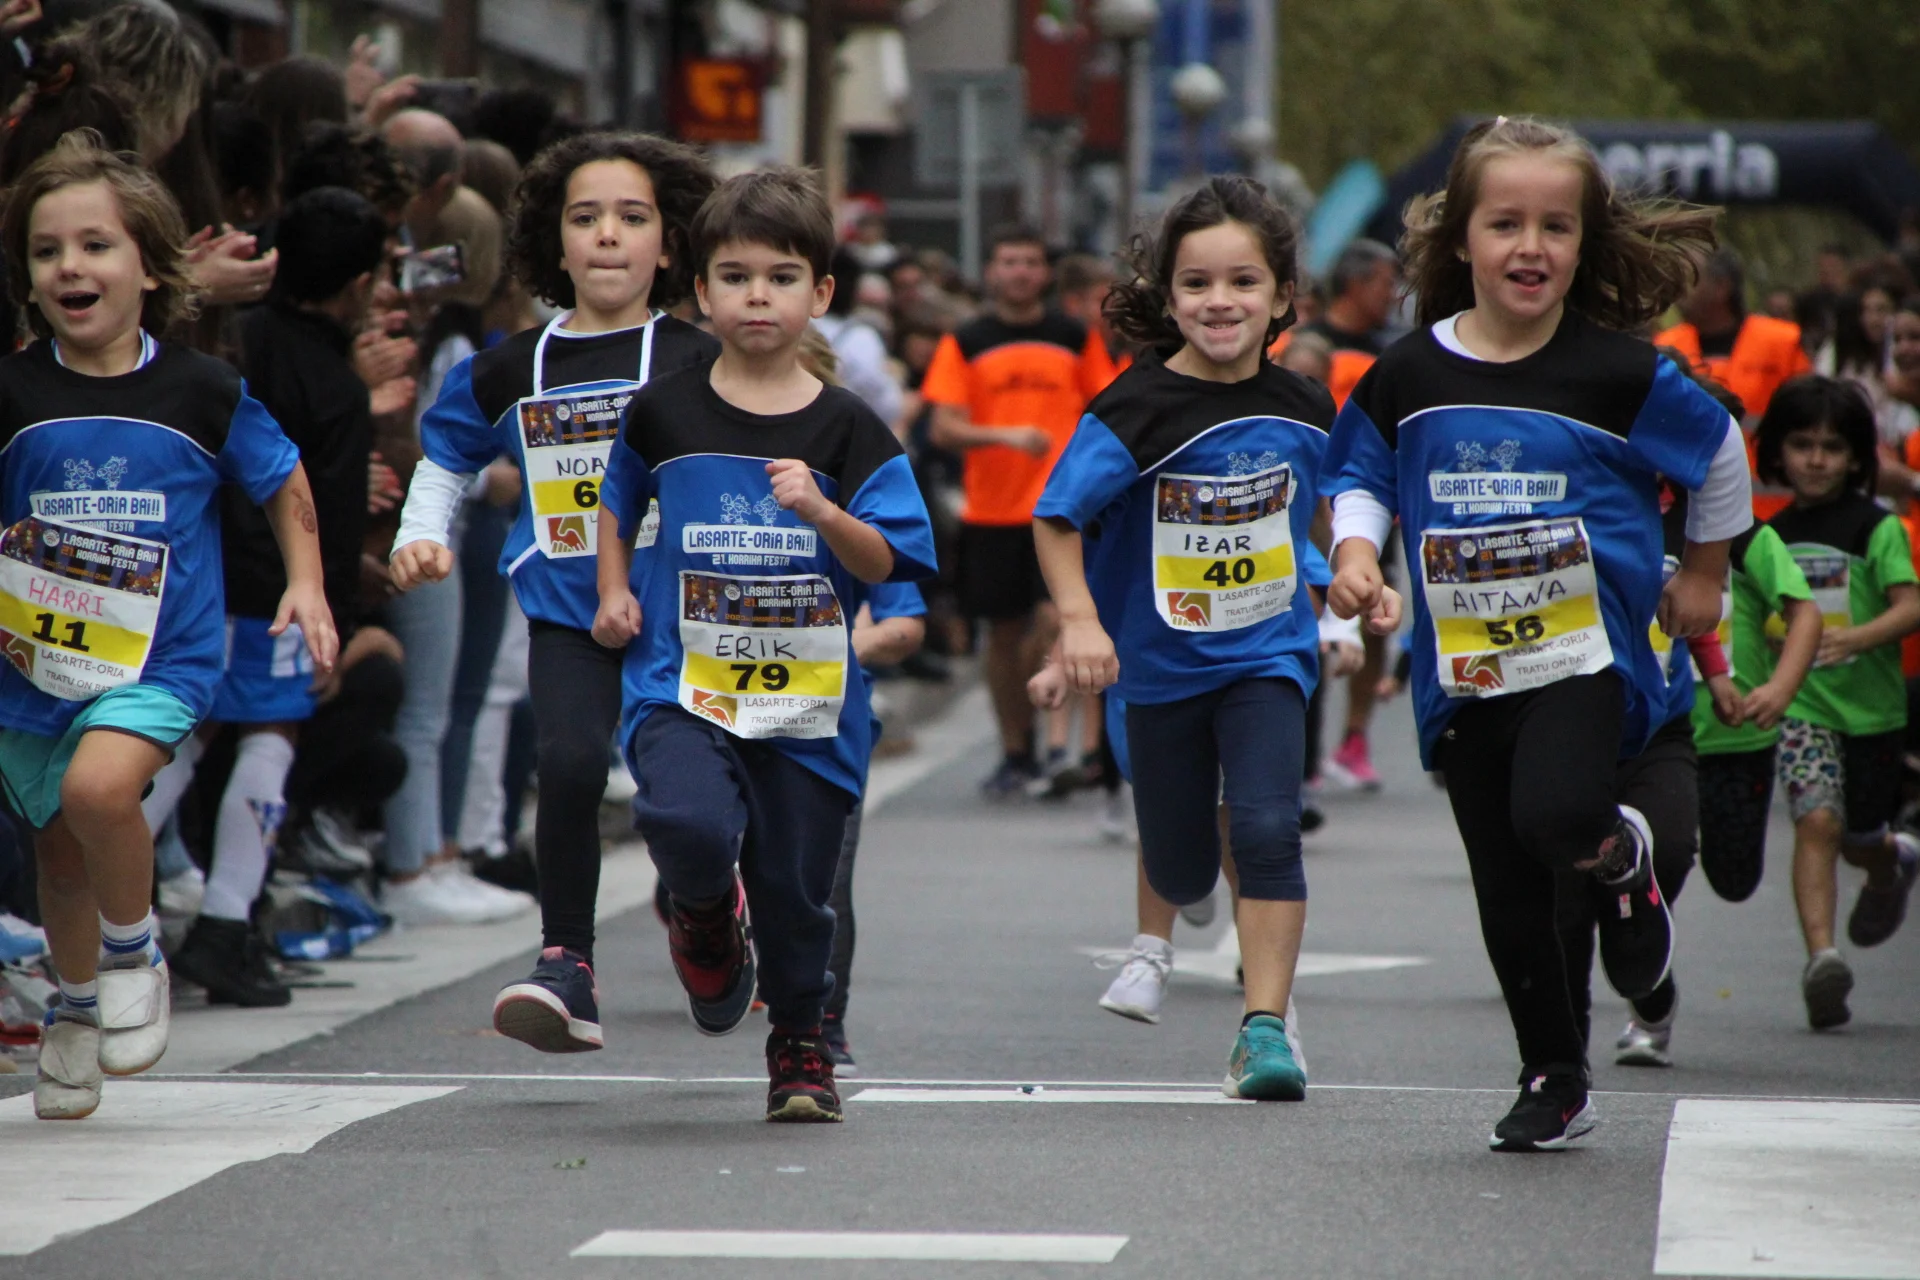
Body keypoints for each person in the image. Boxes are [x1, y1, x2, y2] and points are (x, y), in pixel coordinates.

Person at [1323, 116, 1747, 1152]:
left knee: (1556, 815)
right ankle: (1555, 1075)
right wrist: (1357, 554)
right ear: (1460, 238)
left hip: (1583, 652)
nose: (1531, 246)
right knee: (1510, 890)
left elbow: (1721, 451)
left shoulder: (1619, 373)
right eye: (1505, 223)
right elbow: (1359, 470)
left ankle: (1620, 857)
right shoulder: (1410, 373)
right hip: (1466, 668)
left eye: (1556, 226)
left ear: (1584, 244)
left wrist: (1703, 571)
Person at [0, 133, 336, 1119]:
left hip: (161, 662)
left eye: (95, 245)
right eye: (48, 250)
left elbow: (283, 476)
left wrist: (309, 583)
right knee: (59, 852)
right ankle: (71, 1013)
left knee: (100, 789)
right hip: (32, 670)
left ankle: (134, 949)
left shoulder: (200, 389)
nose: (71, 266)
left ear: (150, 266)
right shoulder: (12, 392)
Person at [1034, 175, 1387, 1100]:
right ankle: (1179, 909)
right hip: (1157, 666)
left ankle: (1264, 1030)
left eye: (1242, 281)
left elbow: (1330, 508)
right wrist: (1078, 622)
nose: (1219, 301)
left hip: (1267, 654)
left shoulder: (1305, 403)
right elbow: (1057, 517)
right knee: (1183, 861)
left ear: (1282, 296)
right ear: (1167, 296)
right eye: (1196, 283)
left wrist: (1353, 574)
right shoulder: (1133, 410)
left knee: (1269, 826)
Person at [595, 166, 936, 1122]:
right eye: (736, 277)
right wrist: (613, 591)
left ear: (819, 294)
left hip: (807, 705)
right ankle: (705, 915)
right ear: (701, 292)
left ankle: (799, 1041)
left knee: (796, 891)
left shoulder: (849, 427)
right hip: (683, 683)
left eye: (782, 278)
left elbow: (889, 559)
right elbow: (617, 501)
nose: (758, 296)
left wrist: (823, 511)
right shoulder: (663, 408)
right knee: (686, 822)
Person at [391, 133, 718, 990]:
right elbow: (446, 456)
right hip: (569, 613)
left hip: (686, 614)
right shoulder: (512, 366)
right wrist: (419, 533)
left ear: (670, 245)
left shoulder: (703, 362)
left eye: (633, 218)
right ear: (554, 242)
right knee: (570, 766)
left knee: (687, 800)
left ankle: (705, 907)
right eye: (585, 217)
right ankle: (566, 961)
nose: (608, 234)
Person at [138, 187, 390, 1007]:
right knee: (269, 734)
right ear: (358, 285)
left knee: (186, 733)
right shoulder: (336, 386)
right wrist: (334, 611)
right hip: (275, 587)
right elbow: (331, 516)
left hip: (190, 569)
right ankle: (223, 924)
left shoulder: (232, 341)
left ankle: (88, 892)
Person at [923, 225, 1114, 794]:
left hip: (1062, 511)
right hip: (992, 511)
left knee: (1055, 618)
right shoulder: (966, 339)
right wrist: (1004, 436)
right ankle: (1016, 750)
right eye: (1009, 261)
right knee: (1002, 636)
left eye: (1031, 261)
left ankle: (1057, 738)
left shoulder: (1073, 336)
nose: (1021, 272)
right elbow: (943, 428)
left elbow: (1105, 408)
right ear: (991, 271)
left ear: (1045, 273)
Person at [1754, 377, 1920, 1029]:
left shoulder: (1877, 528)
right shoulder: (1769, 536)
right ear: (1778, 452)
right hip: (1805, 709)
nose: (1816, 460)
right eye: (1802, 445)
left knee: (1859, 838)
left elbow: (1910, 607)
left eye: (1832, 447)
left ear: (1856, 457)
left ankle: (1891, 862)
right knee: (1817, 821)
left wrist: (1853, 636)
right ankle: (1822, 958)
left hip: (1874, 713)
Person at [822, 583, 928, 1072]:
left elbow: (905, 622)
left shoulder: (850, 526)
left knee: (827, 880)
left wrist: (841, 644)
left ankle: (821, 1027)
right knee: (701, 841)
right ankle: (696, 903)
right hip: (709, 709)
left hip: (827, 720)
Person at [1656, 249, 1812, 518]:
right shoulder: (1666, 347)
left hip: (1775, 514)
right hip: (1692, 515)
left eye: (1689, 279)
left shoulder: (1782, 342)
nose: (1678, 290)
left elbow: (1813, 420)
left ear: (1722, 287)